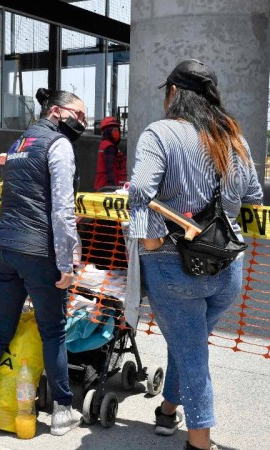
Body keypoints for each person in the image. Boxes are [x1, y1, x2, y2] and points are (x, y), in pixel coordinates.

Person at [128, 59, 263, 450]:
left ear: (174, 92)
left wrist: (150, 242)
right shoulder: (235, 139)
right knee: (189, 343)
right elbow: (254, 197)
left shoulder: (160, 133)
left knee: (192, 355)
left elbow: (140, 191)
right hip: (227, 267)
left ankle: (199, 443)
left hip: (175, 267)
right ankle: (168, 409)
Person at [0, 88, 86, 439]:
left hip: (4, 247)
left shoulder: (19, 143)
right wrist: (67, 262)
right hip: (38, 250)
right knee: (53, 330)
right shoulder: (58, 145)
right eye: (79, 115)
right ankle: (62, 411)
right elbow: (62, 208)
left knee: (0, 328)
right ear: (57, 112)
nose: (83, 122)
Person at [94, 116, 126, 191]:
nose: (117, 132)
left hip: (104, 185)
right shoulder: (109, 147)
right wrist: (112, 187)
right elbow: (109, 169)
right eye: (114, 130)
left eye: (117, 129)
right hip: (108, 187)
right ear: (108, 131)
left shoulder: (105, 144)